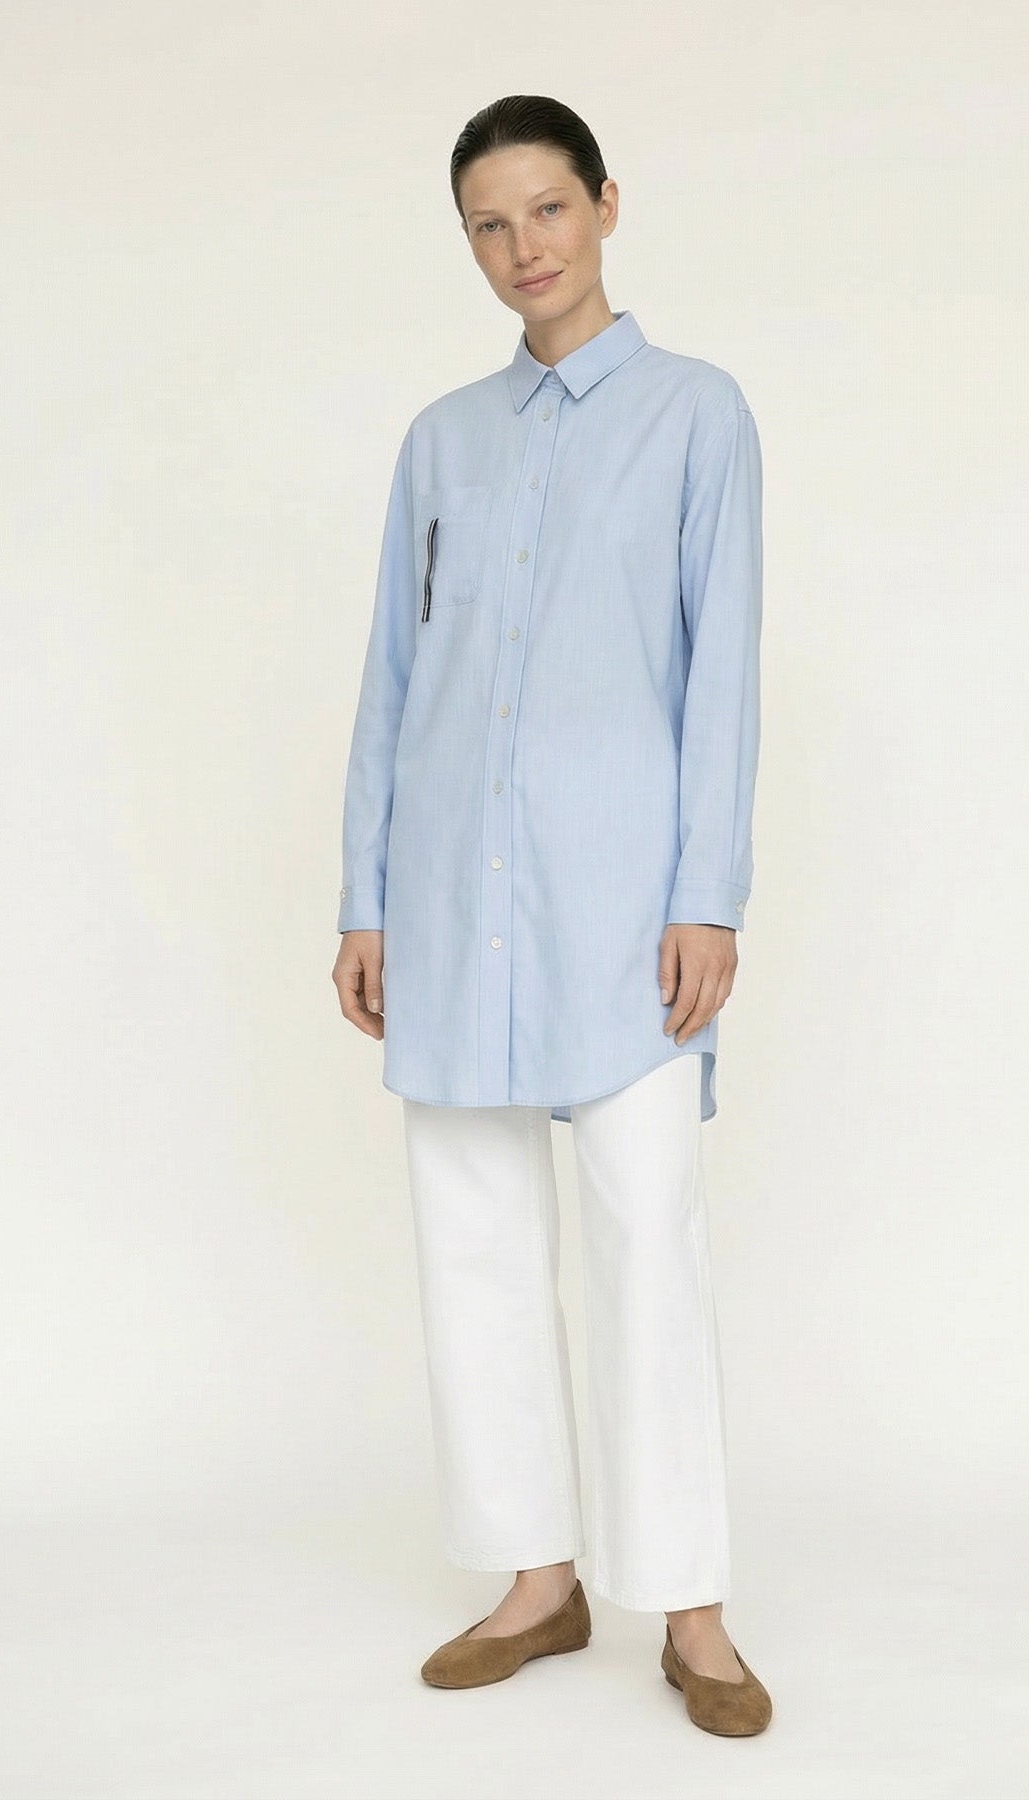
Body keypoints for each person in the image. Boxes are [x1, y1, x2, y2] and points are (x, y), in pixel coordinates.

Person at [331, 94, 771, 1739]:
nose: (523, 248)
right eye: (489, 225)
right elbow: (395, 678)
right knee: (473, 1248)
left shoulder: (697, 414)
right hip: (452, 904)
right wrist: (369, 897)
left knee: (650, 1245)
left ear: (605, 205)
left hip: (622, 909)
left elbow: (720, 668)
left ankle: (693, 1612)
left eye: (547, 210)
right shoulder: (441, 441)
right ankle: (537, 1580)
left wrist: (707, 894)